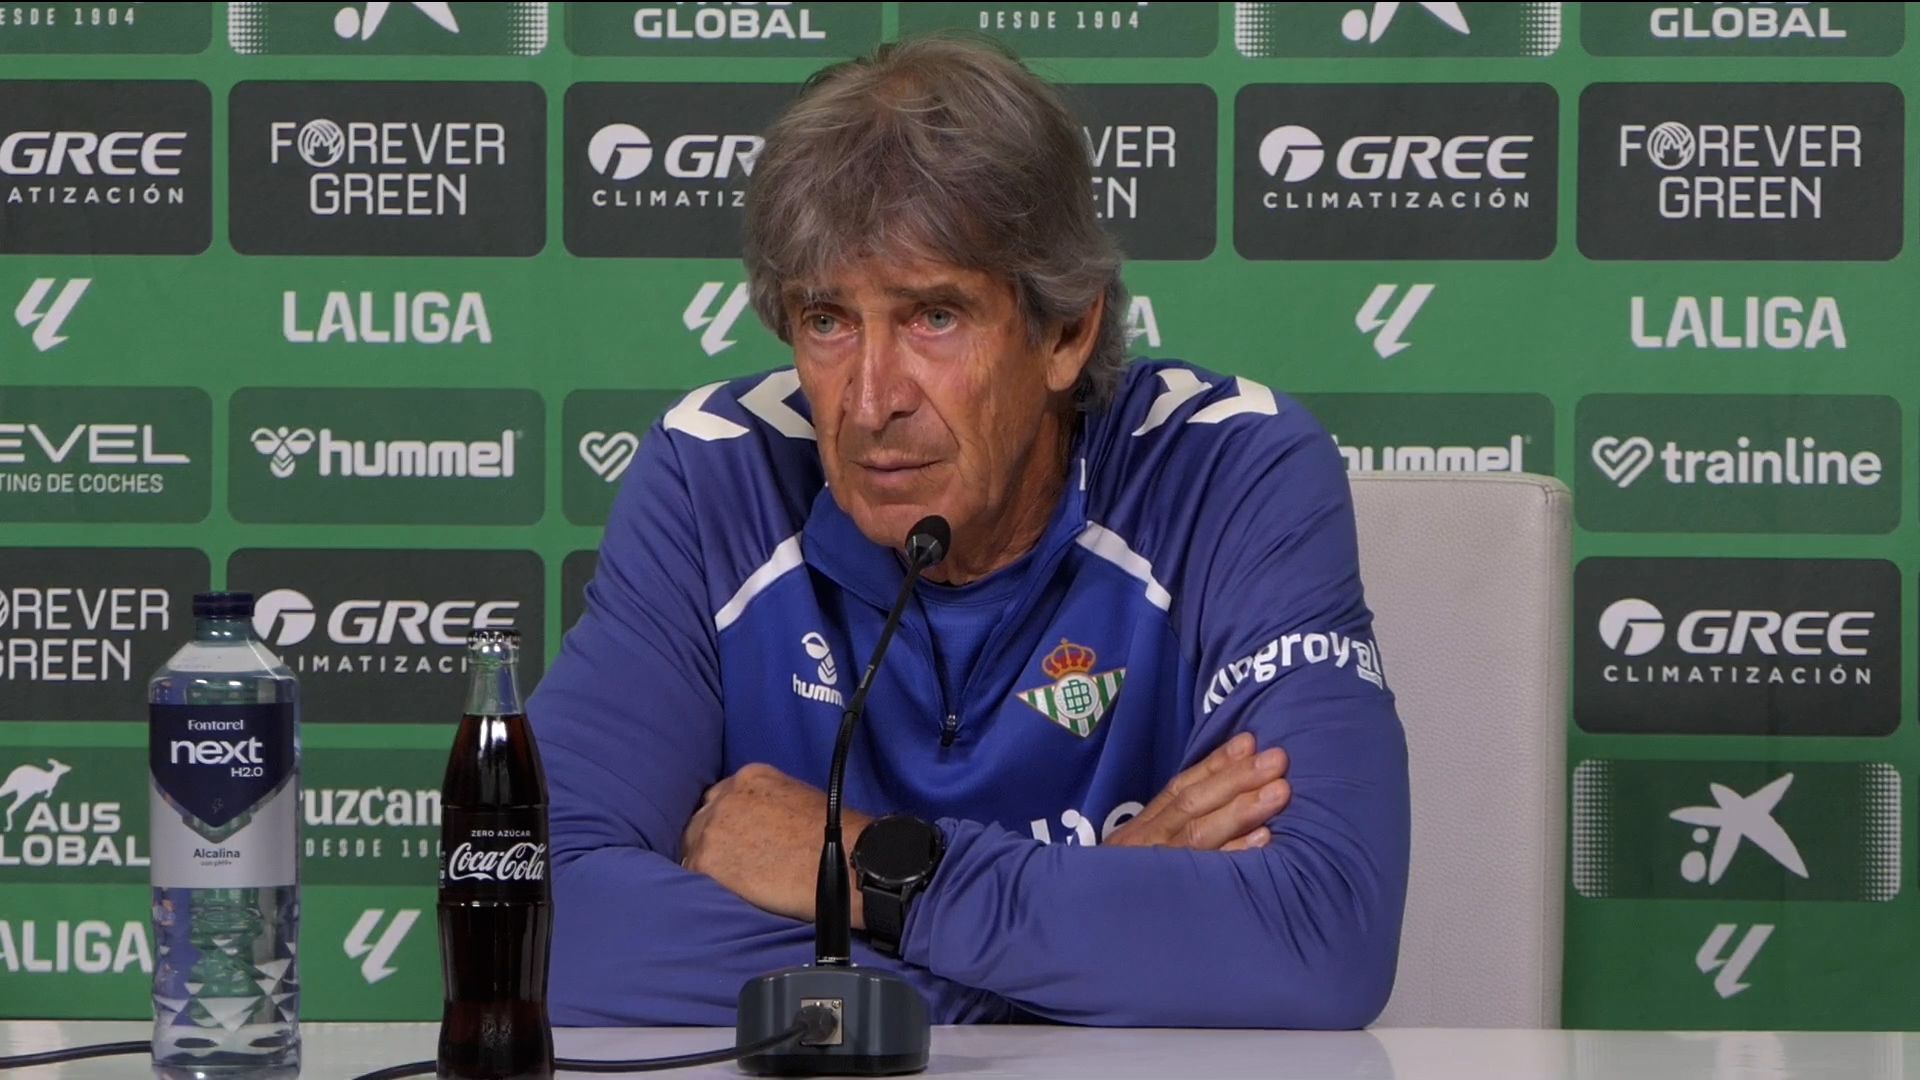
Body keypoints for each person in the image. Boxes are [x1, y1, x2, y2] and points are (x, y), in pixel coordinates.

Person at [528, 34, 1410, 1030]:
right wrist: (1079, 944)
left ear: (1066, 331)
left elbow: (1321, 939)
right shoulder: (715, 475)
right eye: (827, 320)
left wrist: (872, 871)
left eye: (934, 317)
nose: (871, 402)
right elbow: (536, 920)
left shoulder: (1229, 469)